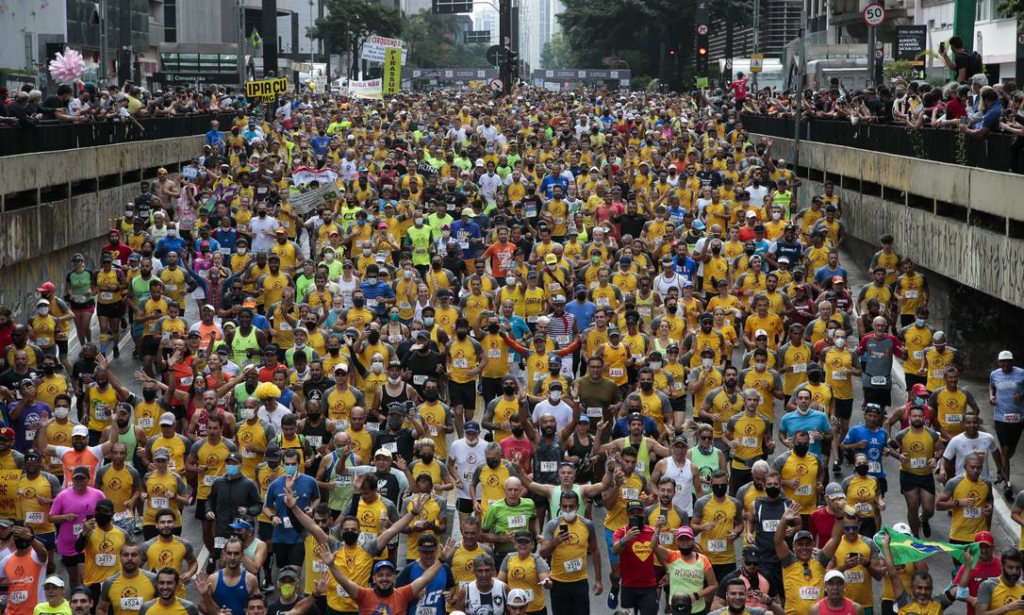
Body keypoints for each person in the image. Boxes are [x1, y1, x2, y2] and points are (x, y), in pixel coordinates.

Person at [317, 538, 456, 615]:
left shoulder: (402, 594)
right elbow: (345, 582)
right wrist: (331, 565)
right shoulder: (364, 595)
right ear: (374, 579)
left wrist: (442, 560)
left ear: (395, 578)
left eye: (389, 575)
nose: (384, 578)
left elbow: (425, 578)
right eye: (380, 575)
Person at [540, 491, 603, 615]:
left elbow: (595, 550)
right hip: (558, 583)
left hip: (580, 582)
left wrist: (598, 580)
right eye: (564, 506)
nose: (568, 510)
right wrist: (555, 542)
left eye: (571, 506)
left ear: (578, 506)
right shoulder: (553, 525)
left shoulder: (587, 524)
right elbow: (542, 554)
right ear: (560, 506)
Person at [988, 350, 1024, 500]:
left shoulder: (1021, 373)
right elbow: (991, 387)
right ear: (999, 363)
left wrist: (1022, 395)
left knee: (1010, 451)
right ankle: (1007, 483)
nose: (1006, 364)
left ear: (1013, 361)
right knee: (1005, 449)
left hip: (1019, 417)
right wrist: (991, 396)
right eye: (1003, 362)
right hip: (1001, 417)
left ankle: (1003, 465)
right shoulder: (994, 374)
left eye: (1008, 361)